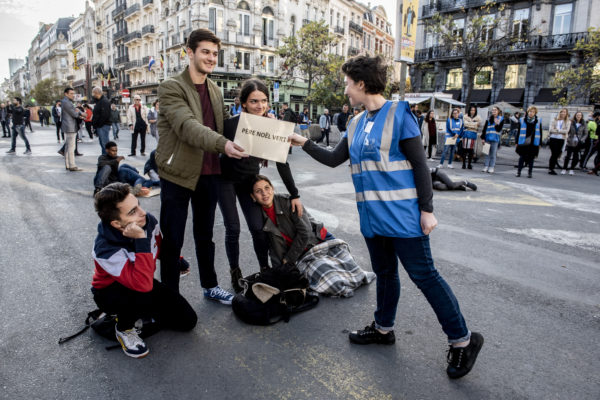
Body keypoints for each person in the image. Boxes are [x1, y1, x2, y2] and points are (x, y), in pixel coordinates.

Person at [289, 55, 483, 380]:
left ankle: (462, 340)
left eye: (348, 83)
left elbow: (421, 165)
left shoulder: (399, 113)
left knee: (425, 277)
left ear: (361, 83)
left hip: (404, 217)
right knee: (386, 275)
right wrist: (303, 141)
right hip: (373, 218)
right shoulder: (355, 122)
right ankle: (383, 329)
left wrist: (427, 209)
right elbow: (336, 158)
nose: (346, 90)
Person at [155, 28, 247, 302]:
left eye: (215, 54)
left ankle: (210, 286)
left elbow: (227, 126)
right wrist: (223, 145)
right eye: (205, 52)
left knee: (205, 236)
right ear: (190, 52)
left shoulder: (216, 91)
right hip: (178, 174)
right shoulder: (171, 87)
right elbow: (187, 126)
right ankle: (171, 297)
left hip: (210, 173)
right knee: (173, 240)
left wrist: (271, 135)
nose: (211, 58)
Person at [91, 183, 197, 358]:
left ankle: (142, 312)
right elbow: (142, 285)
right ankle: (123, 328)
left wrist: (178, 261)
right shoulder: (105, 249)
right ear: (117, 223)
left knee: (187, 321)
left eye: (138, 205)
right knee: (139, 292)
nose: (143, 213)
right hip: (111, 292)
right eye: (132, 212)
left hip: (142, 281)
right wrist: (140, 239)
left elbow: (158, 245)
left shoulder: (148, 221)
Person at [219, 78, 302, 292]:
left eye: (264, 101)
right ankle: (234, 271)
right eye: (254, 101)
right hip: (225, 180)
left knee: (258, 228)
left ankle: (265, 270)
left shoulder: (270, 127)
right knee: (233, 228)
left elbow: (282, 163)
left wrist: (294, 194)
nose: (260, 106)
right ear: (244, 103)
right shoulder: (230, 125)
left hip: (249, 181)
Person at [93, 141, 158, 195]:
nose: (115, 153)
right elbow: (102, 164)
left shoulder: (116, 157)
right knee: (107, 167)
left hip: (113, 181)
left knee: (124, 167)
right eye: (113, 151)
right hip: (102, 182)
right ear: (107, 150)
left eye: (116, 151)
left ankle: (137, 177)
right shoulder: (102, 157)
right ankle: (97, 189)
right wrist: (115, 161)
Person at [60, 88, 85, 170]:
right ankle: (72, 165)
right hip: (70, 126)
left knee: (68, 147)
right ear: (66, 94)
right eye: (71, 93)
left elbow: (75, 111)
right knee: (71, 147)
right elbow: (74, 113)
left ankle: (68, 165)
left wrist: (78, 111)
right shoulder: (66, 102)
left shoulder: (66, 102)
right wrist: (80, 113)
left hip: (69, 126)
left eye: (73, 93)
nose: (73, 95)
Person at [515, 106, 542, 178]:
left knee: (531, 158)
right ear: (527, 112)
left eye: (533, 112)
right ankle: (519, 172)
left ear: (535, 113)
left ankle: (530, 173)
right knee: (521, 158)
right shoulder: (522, 120)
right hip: (523, 142)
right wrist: (516, 142)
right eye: (530, 111)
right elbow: (518, 132)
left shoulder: (538, 121)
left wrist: (540, 143)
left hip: (533, 142)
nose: (531, 113)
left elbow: (540, 132)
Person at [547, 108, 570, 175]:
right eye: (561, 112)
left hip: (561, 139)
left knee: (557, 154)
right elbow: (551, 129)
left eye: (564, 112)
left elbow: (566, 131)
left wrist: (558, 130)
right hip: (553, 138)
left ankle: (552, 167)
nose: (563, 113)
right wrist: (560, 131)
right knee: (553, 153)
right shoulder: (555, 120)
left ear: (566, 113)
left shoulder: (568, 121)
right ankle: (551, 168)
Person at [481, 106, 504, 173]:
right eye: (493, 110)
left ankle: (491, 167)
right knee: (486, 153)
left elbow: (499, 129)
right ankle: (486, 166)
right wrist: (483, 138)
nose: (494, 111)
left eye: (495, 110)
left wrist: (496, 124)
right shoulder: (488, 119)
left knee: (493, 154)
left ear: (498, 111)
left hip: (495, 138)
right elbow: (484, 129)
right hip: (487, 138)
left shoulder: (501, 119)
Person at [91, 87, 112, 155]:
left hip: (103, 125)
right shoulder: (99, 101)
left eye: (93, 93)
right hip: (101, 125)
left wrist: (99, 124)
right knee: (103, 143)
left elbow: (105, 115)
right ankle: (105, 158)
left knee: (104, 143)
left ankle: (106, 159)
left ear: (96, 93)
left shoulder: (104, 101)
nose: (93, 95)